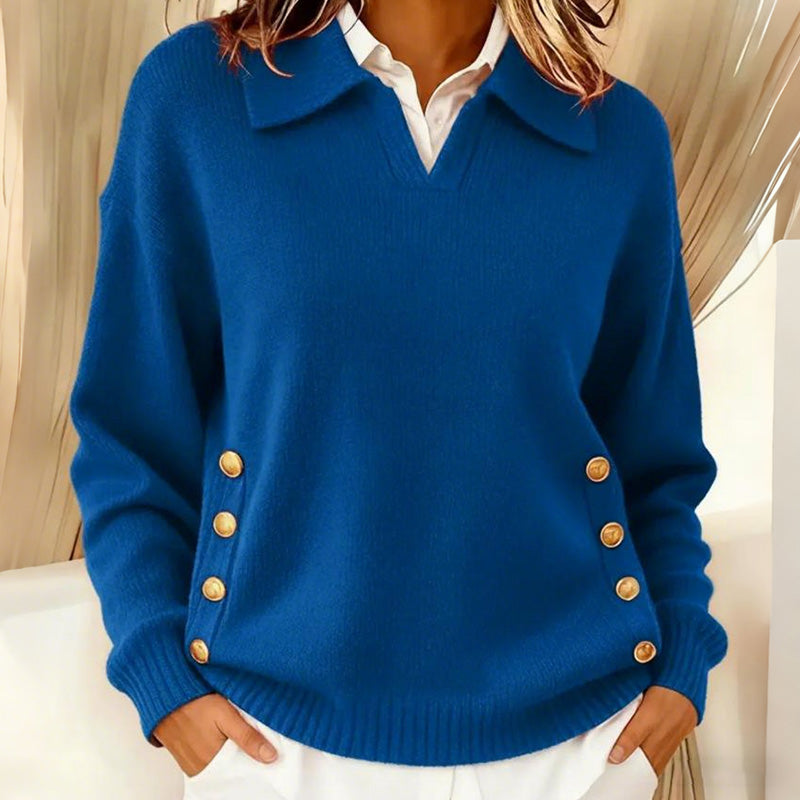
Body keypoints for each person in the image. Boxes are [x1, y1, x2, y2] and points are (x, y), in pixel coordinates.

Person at [68, 1, 729, 798]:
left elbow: (655, 461)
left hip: (583, 746)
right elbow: (129, 437)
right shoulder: (199, 100)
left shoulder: (617, 138)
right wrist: (160, 674)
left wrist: (683, 660)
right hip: (274, 747)